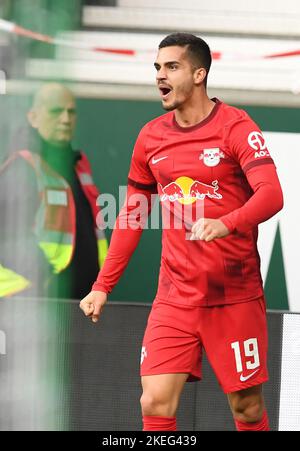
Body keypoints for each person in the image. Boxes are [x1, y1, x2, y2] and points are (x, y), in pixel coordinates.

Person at [79, 33, 283, 431]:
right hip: (175, 298)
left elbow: (272, 195)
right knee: (154, 400)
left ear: (199, 73)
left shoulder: (236, 127)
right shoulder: (150, 137)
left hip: (233, 297)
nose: (160, 75)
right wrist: (103, 285)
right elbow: (133, 215)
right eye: (157, 67)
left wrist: (227, 222)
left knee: (247, 409)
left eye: (171, 66)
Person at [0, 82, 108, 299]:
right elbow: (8, 233)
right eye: (56, 111)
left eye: (71, 112)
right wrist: (45, 279)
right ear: (33, 117)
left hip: (78, 303)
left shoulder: (78, 166)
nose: (66, 119)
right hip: (33, 302)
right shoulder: (23, 166)